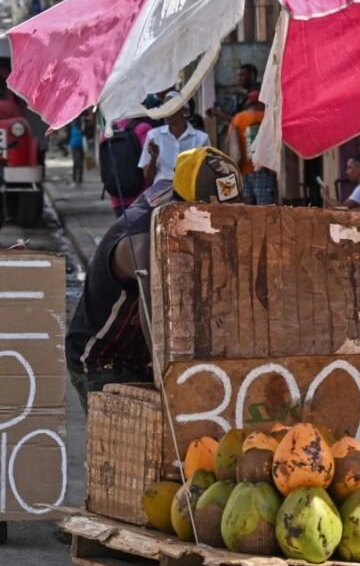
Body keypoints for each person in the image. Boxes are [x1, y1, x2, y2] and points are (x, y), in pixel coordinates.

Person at [65, 147, 244, 411]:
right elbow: (157, 323)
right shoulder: (145, 243)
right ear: (186, 206)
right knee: (132, 436)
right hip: (104, 358)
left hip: (141, 356)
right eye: (215, 215)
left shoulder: (176, 202)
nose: (222, 225)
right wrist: (171, 380)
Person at [138, 91, 210, 185]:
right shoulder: (154, 136)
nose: (167, 112)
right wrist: (153, 157)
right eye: (165, 108)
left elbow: (207, 173)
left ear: (184, 111)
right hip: (162, 190)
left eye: (172, 108)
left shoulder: (201, 139)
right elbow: (148, 177)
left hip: (188, 189)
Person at [227, 90, 277, 205]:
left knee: (246, 208)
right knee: (265, 208)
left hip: (242, 171)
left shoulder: (237, 119)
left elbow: (232, 146)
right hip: (263, 170)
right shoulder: (267, 118)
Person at [68, 115, 85, 185]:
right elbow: (68, 135)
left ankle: (78, 179)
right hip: (75, 145)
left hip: (79, 145)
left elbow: (85, 134)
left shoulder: (81, 125)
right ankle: (76, 178)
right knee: (77, 162)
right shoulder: (74, 125)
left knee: (78, 163)